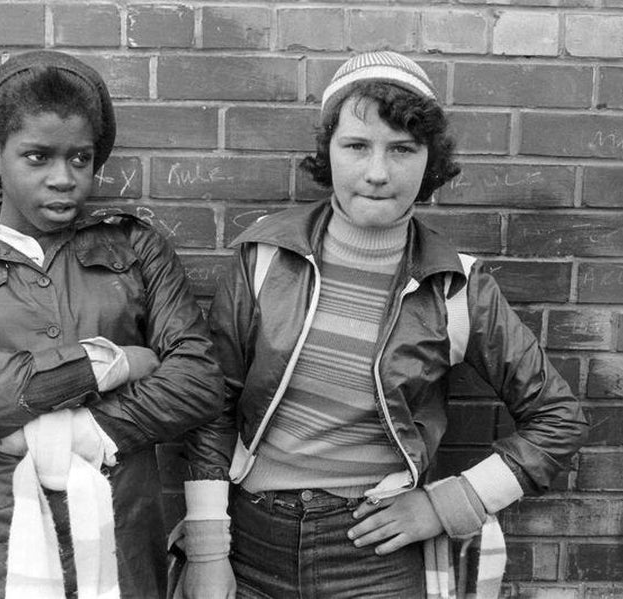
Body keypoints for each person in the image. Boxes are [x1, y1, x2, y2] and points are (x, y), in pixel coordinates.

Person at [174, 50, 589, 598]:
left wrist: (449, 504)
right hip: (252, 544)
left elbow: (558, 419)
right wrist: (207, 551)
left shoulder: (454, 288)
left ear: (429, 160)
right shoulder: (265, 259)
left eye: (402, 149)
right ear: (328, 150)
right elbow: (213, 406)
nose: (376, 172)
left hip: (375, 558)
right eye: (356, 146)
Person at [0, 50, 223, 599]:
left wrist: (81, 431)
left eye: (80, 158)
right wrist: (101, 364)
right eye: (38, 157)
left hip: (121, 507)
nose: (64, 178)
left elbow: (197, 379)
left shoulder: (135, 249)